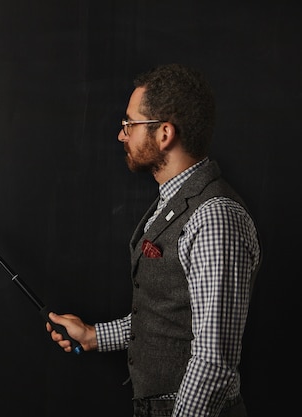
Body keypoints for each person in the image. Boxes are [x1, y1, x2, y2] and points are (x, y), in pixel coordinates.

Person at [46, 63, 261, 417]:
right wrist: (93, 335)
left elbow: (213, 362)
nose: (122, 135)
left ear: (164, 134)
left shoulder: (214, 217)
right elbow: (168, 314)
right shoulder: (174, 202)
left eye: (129, 124)